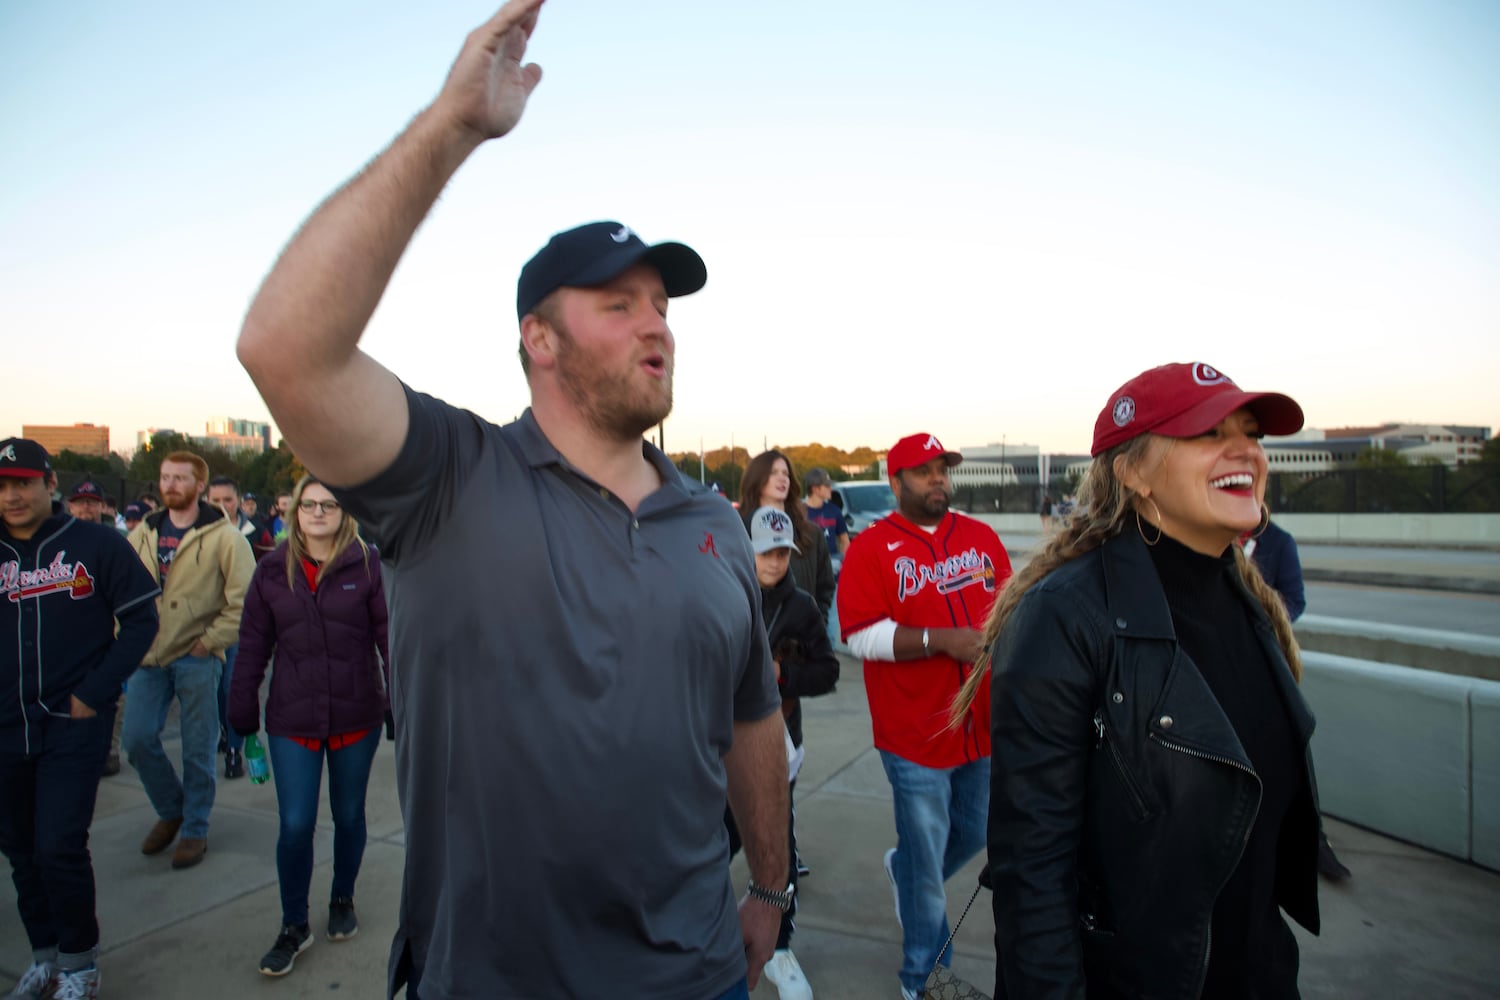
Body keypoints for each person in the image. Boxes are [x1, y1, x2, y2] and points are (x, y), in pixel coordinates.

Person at [235, 4, 790, 996]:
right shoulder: (449, 478)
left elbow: (751, 715)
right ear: (539, 337)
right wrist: (452, 125)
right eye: (618, 305)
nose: (655, 327)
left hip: (700, 972)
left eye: (662, 306)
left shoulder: (713, 524)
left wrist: (772, 889)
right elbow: (283, 347)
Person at [953, 361, 1322, 999]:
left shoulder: (1251, 604)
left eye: (1251, 432)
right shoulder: (1064, 616)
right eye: (1208, 432)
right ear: (1132, 472)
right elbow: (1032, 875)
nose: (1245, 451)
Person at [836, 432, 1012, 1000]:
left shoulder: (980, 538)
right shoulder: (871, 548)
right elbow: (860, 635)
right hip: (914, 735)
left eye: (942, 468)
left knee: (968, 834)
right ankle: (924, 979)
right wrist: (941, 639)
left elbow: (1008, 607)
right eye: (924, 471)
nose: (938, 478)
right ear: (896, 482)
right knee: (930, 881)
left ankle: (906, 868)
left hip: (981, 727)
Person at [0, 438, 160, 999]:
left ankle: (78, 964)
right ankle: (44, 955)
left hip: (71, 722)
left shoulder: (95, 544)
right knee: (19, 849)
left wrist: (95, 692)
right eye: (1, 485)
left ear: (50, 484)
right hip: (6, 727)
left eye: (22, 482)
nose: (12, 495)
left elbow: (142, 621)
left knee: (59, 846)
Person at [230, 475, 391, 978]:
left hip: (354, 715)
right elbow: (253, 644)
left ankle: (342, 897)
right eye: (309, 504)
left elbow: (391, 640)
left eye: (329, 505)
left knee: (348, 814)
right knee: (296, 822)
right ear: (294, 511)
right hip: (292, 719)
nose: (318, 512)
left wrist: (402, 705)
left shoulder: (368, 567)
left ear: (345, 514)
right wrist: (240, 711)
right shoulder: (271, 572)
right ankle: (293, 924)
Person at [723, 507, 840, 1000]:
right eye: (765, 551)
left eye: (781, 552)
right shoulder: (722, 592)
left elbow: (829, 671)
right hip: (719, 742)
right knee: (716, 837)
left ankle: (781, 946)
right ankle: (704, 919)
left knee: (778, 841)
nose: (773, 561)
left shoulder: (803, 607)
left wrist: (781, 677)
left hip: (778, 746)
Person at [124, 451, 255, 870]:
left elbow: (245, 602)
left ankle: (195, 827)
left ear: (199, 485)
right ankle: (172, 807)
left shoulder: (224, 537)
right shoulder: (143, 533)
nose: (171, 485)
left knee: (198, 747)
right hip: (148, 654)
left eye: (180, 478)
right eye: (165, 477)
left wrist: (210, 641)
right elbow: (119, 587)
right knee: (138, 739)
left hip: (197, 656)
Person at [1243, 515, 1352, 882]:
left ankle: (1314, 841)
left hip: (1267, 665)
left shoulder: (1278, 543)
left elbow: (1295, 601)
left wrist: (1256, 617)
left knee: (1290, 750)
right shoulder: (1209, 533)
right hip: (1220, 664)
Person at [205, 476, 274, 780]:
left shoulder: (254, 532)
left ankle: (234, 749)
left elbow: (271, 566)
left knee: (234, 685)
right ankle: (224, 731)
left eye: (227, 500)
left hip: (242, 621)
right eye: (214, 501)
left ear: (238, 503)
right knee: (216, 690)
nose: (221, 506)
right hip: (208, 624)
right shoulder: (196, 534)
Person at [740, 451, 835, 622]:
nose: (782, 478)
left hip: (802, 637)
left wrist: (817, 623)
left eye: (786, 474)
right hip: (754, 637)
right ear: (757, 477)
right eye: (773, 472)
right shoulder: (739, 530)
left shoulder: (811, 533)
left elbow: (825, 588)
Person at [802, 468, 849, 571]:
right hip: (809, 568)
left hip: (833, 566)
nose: (831, 489)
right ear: (815, 489)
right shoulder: (799, 513)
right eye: (827, 486)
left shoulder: (834, 510)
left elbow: (845, 540)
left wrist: (843, 563)